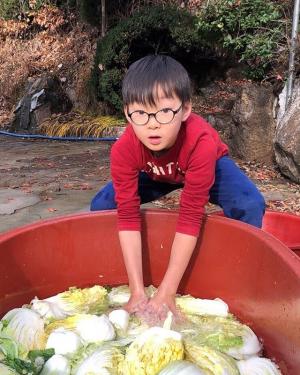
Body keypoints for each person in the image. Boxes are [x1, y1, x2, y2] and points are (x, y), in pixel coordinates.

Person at [90, 55, 265, 321]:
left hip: (205, 165)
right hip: (155, 173)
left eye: (164, 111)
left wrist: (167, 290)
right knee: (101, 205)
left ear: (185, 110)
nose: (152, 123)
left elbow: (190, 214)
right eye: (140, 113)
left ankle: (245, 276)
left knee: (250, 204)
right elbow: (127, 214)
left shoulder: (201, 142)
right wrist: (138, 291)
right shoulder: (123, 150)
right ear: (127, 113)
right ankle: (126, 273)